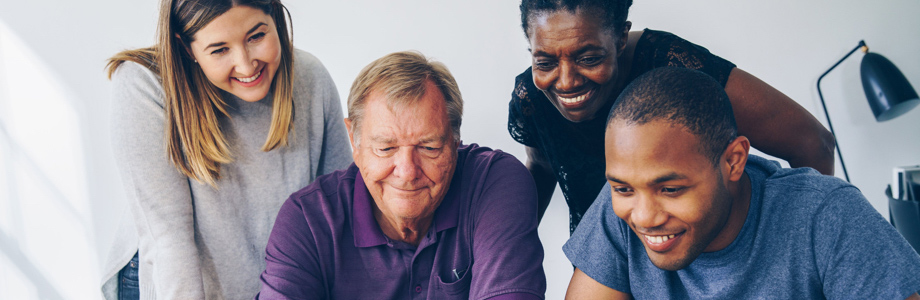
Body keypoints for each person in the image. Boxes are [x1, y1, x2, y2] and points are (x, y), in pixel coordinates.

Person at [562, 67, 920, 299]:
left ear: (734, 161)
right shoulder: (619, 213)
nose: (644, 216)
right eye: (623, 188)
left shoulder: (827, 215)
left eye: (670, 189)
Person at [509, 0, 837, 233]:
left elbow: (812, 142)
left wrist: (809, 251)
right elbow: (542, 165)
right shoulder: (532, 98)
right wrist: (507, 248)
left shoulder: (671, 65)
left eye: (590, 57)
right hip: (614, 262)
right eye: (545, 62)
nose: (565, 81)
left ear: (621, 38)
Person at [100, 0, 352, 299]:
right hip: (176, 277)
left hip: (272, 282)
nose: (246, 65)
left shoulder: (310, 78)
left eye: (257, 37)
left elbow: (339, 213)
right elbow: (169, 239)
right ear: (186, 48)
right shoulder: (144, 84)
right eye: (220, 49)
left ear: (276, 19)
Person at [256, 51, 547, 299]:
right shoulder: (306, 220)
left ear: (455, 141)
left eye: (429, 147)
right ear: (354, 141)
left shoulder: (495, 184)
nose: (407, 172)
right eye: (385, 148)